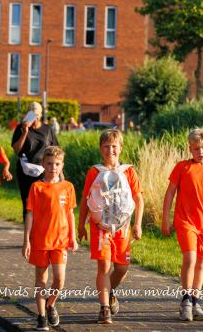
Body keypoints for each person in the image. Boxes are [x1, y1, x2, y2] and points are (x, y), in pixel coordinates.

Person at [162, 127, 203, 322]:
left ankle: (195, 300)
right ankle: (185, 301)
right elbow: (170, 193)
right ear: (190, 149)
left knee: (201, 262)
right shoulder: (183, 167)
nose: (201, 152)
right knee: (190, 259)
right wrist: (165, 218)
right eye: (197, 149)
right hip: (185, 222)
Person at [78, 129, 144, 324]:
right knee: (104, 266)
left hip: (122, 228)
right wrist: (81, 224)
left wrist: (138, 224)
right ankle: (104, 308)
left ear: (121, 147)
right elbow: (85, 199)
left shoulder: (129, 171)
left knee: (122, 267)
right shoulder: (95, 172)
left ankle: (110, 292)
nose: (110, 150)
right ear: (101, 149)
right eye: (106, 146)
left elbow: (138, 199)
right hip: (100, 228)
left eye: (114, 146)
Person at [22, 146, 78, 330]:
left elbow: (70, 214)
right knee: (41, 280)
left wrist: (73, 236)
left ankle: (51, 304)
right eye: (49, 164)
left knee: (59, 279)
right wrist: (26, 240)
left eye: (57, 164)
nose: (53, 167)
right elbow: (29, 214)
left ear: (62, 165)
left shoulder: (67, 187)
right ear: (43, 165)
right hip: (40, 241)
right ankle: (41, 317)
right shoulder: (37, 187)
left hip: (60, 241)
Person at [11, 102, 58, 221]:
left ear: (41, 115)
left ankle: (41, 229)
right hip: (24, 171)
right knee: (27, 202)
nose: (35, 119)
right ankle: (29, 234)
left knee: (44, 200)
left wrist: (59, 170)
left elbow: (55, 150)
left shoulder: (47, 129)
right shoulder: (20, 128)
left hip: (43, 171)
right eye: (32, 115)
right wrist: (25, 132)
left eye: (37, 115)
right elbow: (16, 150)